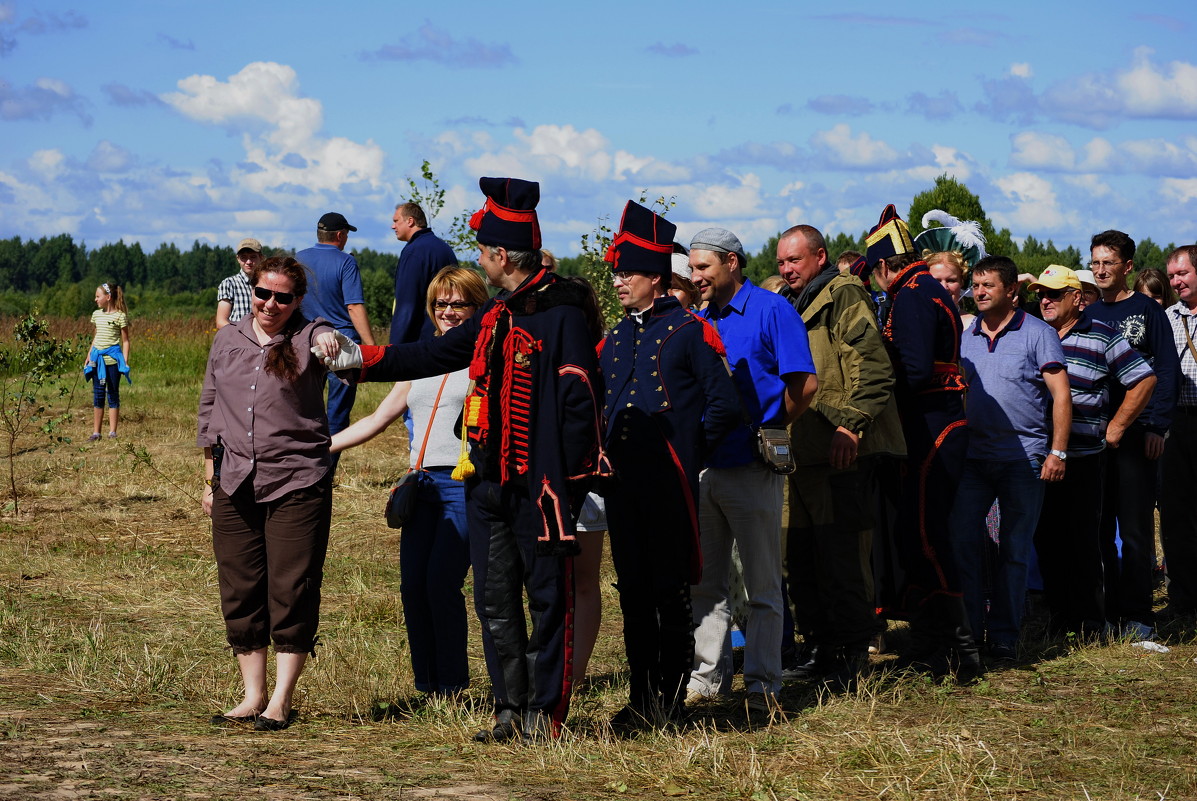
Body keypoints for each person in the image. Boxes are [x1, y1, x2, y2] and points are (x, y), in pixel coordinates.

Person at [316, 177, 604, 743]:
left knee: (548, 600)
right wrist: (360, 360)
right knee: (493, 598)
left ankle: (545, 715)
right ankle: (508, 708)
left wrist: (569, 480)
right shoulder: (495, 314)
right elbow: (433, 352)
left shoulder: (563, 313)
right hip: (486, 477)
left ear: (500, 256)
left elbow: (580, 401)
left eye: (481, 252)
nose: (477, 260)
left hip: (541, 485)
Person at [598, 201, 740, 728]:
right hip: (621, 484)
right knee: (633, 592)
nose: (618, 282)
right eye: (616, 273)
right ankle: (640, 697)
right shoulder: (613, 338)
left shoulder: (689, 331)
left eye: (627, 273)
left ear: (655, 279)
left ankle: (668, 701)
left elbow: (724, 405)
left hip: (670, 484)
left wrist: (685, 454)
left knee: (668, 592)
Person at [198, 255, 342, 732]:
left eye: (283, 297)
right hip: (233, 478)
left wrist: (327, 337)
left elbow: (334, 344)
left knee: (291, 585)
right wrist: (208, 478)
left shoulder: (308, 336)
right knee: (239, 586)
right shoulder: (228, 338)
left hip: (297, 481)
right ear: (251, 291)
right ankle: (251, 694)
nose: (271, 304)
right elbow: (210, 406)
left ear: (297, 300)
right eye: (263, 293)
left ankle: (281, 699)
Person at [330, 267, 488, 697]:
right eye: (441, 304)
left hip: (461, 484)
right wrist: (323, 446)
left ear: (478, 308)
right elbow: (378, 418)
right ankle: (428, 683)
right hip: (419, 486)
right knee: (413, 586)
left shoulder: (481, 358)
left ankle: (452, 684)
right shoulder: (422, 358)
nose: (449, 313)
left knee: (442, 582)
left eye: (459, 304)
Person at [685, 226, 817, 715]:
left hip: (752, 465)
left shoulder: (772, 310)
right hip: (705, 467)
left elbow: (804, 384)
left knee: (762, 583)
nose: (695, 276)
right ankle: (707, 681)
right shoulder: (699, 317)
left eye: (703, 267)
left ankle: (763, 683)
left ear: (732, 263)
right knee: (707, 582)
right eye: (692, 268)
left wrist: (773, 428)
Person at [775, 223, 905, 688]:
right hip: (797, 451)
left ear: (819, 255)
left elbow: (873, 368)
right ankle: (819, 649)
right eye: (782, 262)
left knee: (843, 555)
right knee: (799, 558)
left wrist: (851, 426)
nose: (787, 269)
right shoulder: (791, 302)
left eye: (795, 260)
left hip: (839, 449)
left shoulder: (842, 294)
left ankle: (852, 652)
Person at [867, 206, 982, 679]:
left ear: (883, 266)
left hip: (930, 426)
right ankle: (933, 640)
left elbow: (911, 370)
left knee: (926, 536)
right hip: (934, 423)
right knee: (919, 535)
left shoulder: (912, 294)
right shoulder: (925, 287)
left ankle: (959, 650)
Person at [949, 255, 1071, 661]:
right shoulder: (965, 335)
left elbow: (1061, 395)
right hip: (974, 459)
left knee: (1014, 550)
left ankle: (1003, 636)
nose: (979, 293)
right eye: (976, 286)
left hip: (1025, 459)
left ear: (1012, 290)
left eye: (988, 286)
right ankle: (968, 635)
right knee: (962, 540)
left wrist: (1057, 450)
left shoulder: (1038, 333)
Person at [1028, 266, 1155, 638]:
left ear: (1077, 298)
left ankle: (1088, 622)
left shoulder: (1102, 335)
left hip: (1083, 457)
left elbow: (1144, 378)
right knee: (1045, 539)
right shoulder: (1035, 334)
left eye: (1053, 294)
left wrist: (1116, 427)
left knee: (1083, 540)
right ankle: (1057, 615)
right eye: (1040, 295)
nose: (1045, 300)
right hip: (1038, 456)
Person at [1085, 230, 1178, 640]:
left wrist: (1157, 425)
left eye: (1108, 263)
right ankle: (1105, 612)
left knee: (1136, 527)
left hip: (1138, 433)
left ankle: (1138, 613)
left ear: (1127, 268)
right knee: (1099, 526)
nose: (1100, 270)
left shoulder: (1147, 311)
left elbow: (1166, 370)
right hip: (1092, 436)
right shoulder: (1086, 313)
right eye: (1095, 262)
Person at [295, 212, 375, 466]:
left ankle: (303, 463)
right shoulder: (346, 262)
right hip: (342, 345)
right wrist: (371, 346)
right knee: (337, 412)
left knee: (306, 407)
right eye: (347, 235)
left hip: (306, 341)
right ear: (340, 235)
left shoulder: (299, 259)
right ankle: (326, 469)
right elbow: (354, 306)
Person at [1161, 245, 1197, 620]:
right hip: (1175, 423)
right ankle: (1183, 599)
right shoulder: (1166, 317)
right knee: (1176, 514)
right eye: (1172, 276)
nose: (1176, 282)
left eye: (1182, 274)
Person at [389, 202, 459, 346]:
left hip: (421, 343)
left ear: (410, 221)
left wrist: (394, 349)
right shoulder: (444, 248)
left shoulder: (415, 252)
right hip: (448, 335)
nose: (393, 226)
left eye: (396, 221)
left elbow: (407, 305)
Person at [84, 282, 131, 441]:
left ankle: (112, 432)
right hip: (97, 361)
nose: (95, 299)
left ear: (108, 297)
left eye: (98, 296)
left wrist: (124, 362)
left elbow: (125, 341)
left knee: (112, 393)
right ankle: (96, 432)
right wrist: (89, 355)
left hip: (113, 362)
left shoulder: (120, 316)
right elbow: (96, 337)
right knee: (98, 394)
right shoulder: (96, 315)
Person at [216, 238, 262, 329]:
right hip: (237, 340)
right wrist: (242, 335)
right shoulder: (229, 284)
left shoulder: (268, 285)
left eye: (253, 257)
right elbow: (221, 322)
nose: (248, 262)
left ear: (261, 257)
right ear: (238, 259)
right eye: (243, 257)